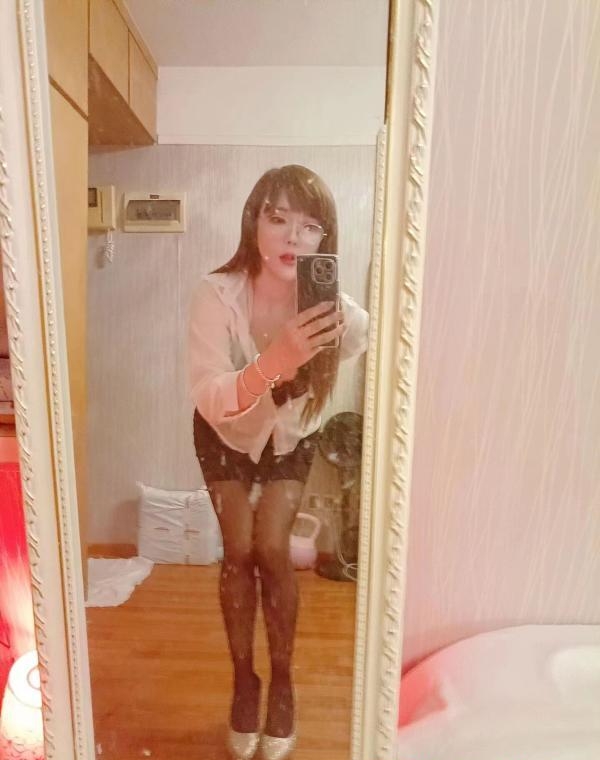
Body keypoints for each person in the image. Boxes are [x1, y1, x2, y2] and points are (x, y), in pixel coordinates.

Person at [188, 164, 368, 760]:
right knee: (239, 549)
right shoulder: (217, 294)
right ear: (254, 223)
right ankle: (246, 681)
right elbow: (209, 394)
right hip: (225, 432)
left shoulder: (333, 305)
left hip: (292, 437)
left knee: (272, 546)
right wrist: (277, 360)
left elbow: (380, 337)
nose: (294, 236)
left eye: (311, 226)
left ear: (325, 238)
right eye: (278, 218)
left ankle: (283, 682)